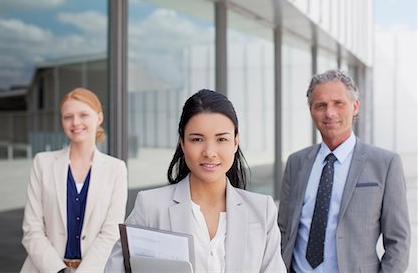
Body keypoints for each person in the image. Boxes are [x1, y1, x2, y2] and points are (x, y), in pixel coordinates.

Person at [105, 89, 286, 272]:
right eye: (197, 139)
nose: (209, 152)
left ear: (235, 142)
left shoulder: (262, 210)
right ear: (182, 142)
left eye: (221, 139)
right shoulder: (151, 207)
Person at [278, 70, 410, 273]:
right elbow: (283, 230)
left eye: (338, 103)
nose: (329, 113)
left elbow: (398, 242)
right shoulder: (296, 163)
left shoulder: (385, 164)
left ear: (355, 106)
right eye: (320, 105)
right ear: (311, 111)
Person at [21, 87, 128, 272]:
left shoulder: (116, 169)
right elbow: (32, 230)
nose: (75, 122)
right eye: (68, 116)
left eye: (83, 115)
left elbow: (111, 233)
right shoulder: (43, 163)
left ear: (99, 118)